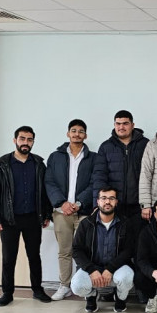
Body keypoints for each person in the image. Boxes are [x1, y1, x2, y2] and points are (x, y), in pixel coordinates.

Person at [0, 126, 52, 306]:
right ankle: (7, 293)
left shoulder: (39, 164)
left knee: (34, 256)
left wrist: (46, 214)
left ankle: (37, 290)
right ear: (15, 140)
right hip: (9, 219)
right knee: (9, 258)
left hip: (33, 218)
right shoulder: (1, 165)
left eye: (29, 140)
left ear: (33, 142)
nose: (26, 142)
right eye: (22, 139)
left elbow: (44, 192)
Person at [45, 119, 96, 300]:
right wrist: (62, 203)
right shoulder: (55, 157)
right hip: (61, 212)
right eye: (73, 130)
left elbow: (94, 183)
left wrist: (79, 203)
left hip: (84, 212)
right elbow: (49, 182)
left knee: (84, 251)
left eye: (81, 131)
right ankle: (64, 285)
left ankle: (84, 286)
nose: (77, 134)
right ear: (68, 133)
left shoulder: (93, 158)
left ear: (85, 135)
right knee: (64, 251)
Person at [71, 188, 134, 313]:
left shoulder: (125, 223)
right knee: (77, 286)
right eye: (103, 198)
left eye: (111, 198)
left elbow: (129, 250)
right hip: (93, 267)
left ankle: (120, 297)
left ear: (116, 202)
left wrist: (110, 269)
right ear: (98, 201)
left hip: (117, 267)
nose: (107, 202)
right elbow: (76, 250)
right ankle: (91, 296)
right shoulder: (86, 224)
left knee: (126, 278)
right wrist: (91, 270)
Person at [93, 110, 148, 220]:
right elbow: (99, 176)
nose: (121, 127)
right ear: (114, 125)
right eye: (118, 124)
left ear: (132, 125)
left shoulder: (146, 144)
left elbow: (151, 175)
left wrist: (148, 204)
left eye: (125, 123)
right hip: (114, 205)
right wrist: (97, 204)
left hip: (139, 206)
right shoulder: (106, 147)